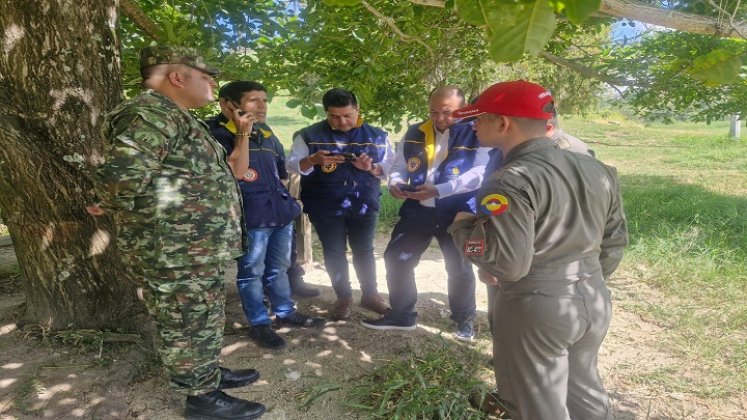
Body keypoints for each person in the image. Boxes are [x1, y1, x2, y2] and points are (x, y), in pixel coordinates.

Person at [88, 46, 265, 419]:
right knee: (186, 320)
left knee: (202, 317)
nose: (214, 84)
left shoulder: (176, 116)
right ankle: (202, 400)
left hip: (194, 247)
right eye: (206, 76)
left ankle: (206, 375)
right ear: (177, 77)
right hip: (175, 249)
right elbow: (120, 180)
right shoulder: (150, 114)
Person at [448, 80, 628, 420]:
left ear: (503, 124)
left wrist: (462, 228)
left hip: (537, 307)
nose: (473, 125)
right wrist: (582, 283)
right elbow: (614, 241)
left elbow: (507, 263)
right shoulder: (597, 169)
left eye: (480, 118)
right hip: (593, 296)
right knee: (585, 391)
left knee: (539, 408)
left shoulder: (510, 179)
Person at [360, 86, 490, 341]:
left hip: (458, 212)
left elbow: (480, 174)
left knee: (460, 267)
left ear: (463, 109)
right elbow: (399, 164)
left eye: (447, 112)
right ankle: (402, 314)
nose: (439, 118)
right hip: (417, 210)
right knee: (396, 258)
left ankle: (464, 320)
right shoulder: (416, 131)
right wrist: (395, 183)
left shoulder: (477, 131)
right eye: (433, 111)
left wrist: (440, 190)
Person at [206, 81, 325, 351]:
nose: (262, 106)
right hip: (250, 218)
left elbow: (281, 172)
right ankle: (259, 322)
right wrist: (242, 134)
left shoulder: (268, 132)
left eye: (264, 100)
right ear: (227, 104)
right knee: (251, 273)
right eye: (253, 101)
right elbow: (235, 171)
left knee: (278, 269)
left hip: (279, 213)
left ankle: (285, 311)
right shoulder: (214, 135)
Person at [287, 88, 394, 320]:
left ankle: (370, 294)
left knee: (364, 251)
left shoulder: (378, 136)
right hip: (324, 205)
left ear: (357, 110)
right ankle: (343, 297)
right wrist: (313, 160)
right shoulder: (308, 135)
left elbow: (390, 168)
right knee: (334, 252)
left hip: (364, 203)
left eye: (347, 115)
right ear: (326, 113)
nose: (342, 121)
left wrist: (371, 168)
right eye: (334, 116)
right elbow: (293, 165)